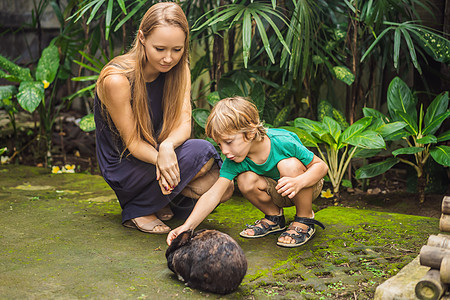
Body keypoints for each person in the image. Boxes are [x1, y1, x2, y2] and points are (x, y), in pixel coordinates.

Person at [94, 2, 233, 234]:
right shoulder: (117, 80)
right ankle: (138, 207)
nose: (169, 58)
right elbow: (133, 144)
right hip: (126, 163)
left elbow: (183, 124)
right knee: (200, 153)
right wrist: (161, 158)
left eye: (177, 50)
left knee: (223, 188)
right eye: (160, 49)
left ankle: (158, 201)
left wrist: (167, 147)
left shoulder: (180, 70)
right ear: (142, 38)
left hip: (160, 153)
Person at [167, 97, 328, 247]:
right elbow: (213, 194)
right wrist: (187, 227)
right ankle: (274, 218)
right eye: (220, 144)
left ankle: (305, 219)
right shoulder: (234, 160)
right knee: (245, 179)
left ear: (250, 132)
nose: (225, 151)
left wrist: (299, 182)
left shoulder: (282, 141)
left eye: (228, 142)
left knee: (289, 165)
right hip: (278, 191)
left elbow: (321, 166)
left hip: (306, 185)